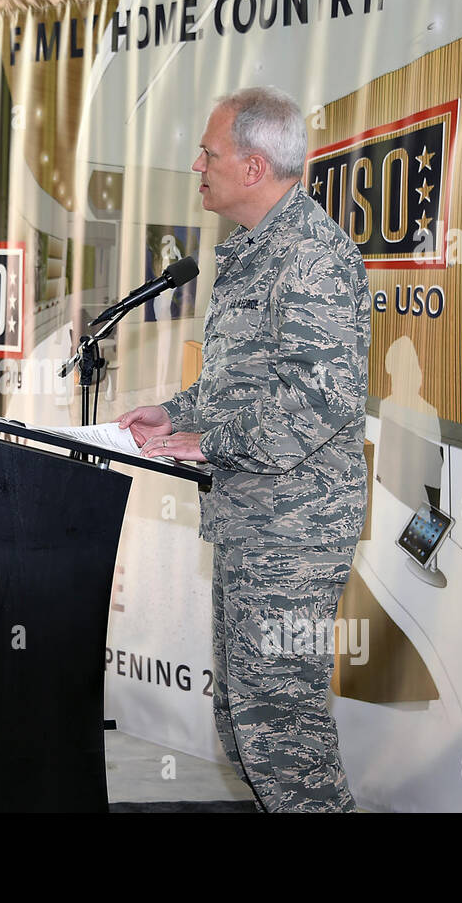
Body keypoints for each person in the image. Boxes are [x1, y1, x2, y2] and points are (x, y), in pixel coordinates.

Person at [119, 87, 370, 812]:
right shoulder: (252, 254)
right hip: (247, 524)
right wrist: (172, 414)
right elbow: (237, 387)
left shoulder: (314, 258)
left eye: (210, 151)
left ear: (255, 166)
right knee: (244, 725)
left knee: (284, 736)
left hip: (292, 535)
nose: (197, 163)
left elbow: (321, 404)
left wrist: (209, 442)